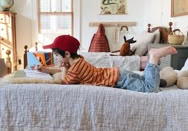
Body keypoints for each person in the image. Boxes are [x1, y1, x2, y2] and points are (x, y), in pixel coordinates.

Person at [38, 35, 177, 93]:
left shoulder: (75, 68)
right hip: (118, 73)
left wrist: (63, 70)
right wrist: (45, 69)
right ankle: (156, 74)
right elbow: (62, 71)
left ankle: (153, 57)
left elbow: (65, 82)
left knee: (150, 89)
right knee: (145, 80)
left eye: (57, 55)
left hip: (118, 79)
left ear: (67, 54)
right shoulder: (79, 60)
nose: (56, 58)